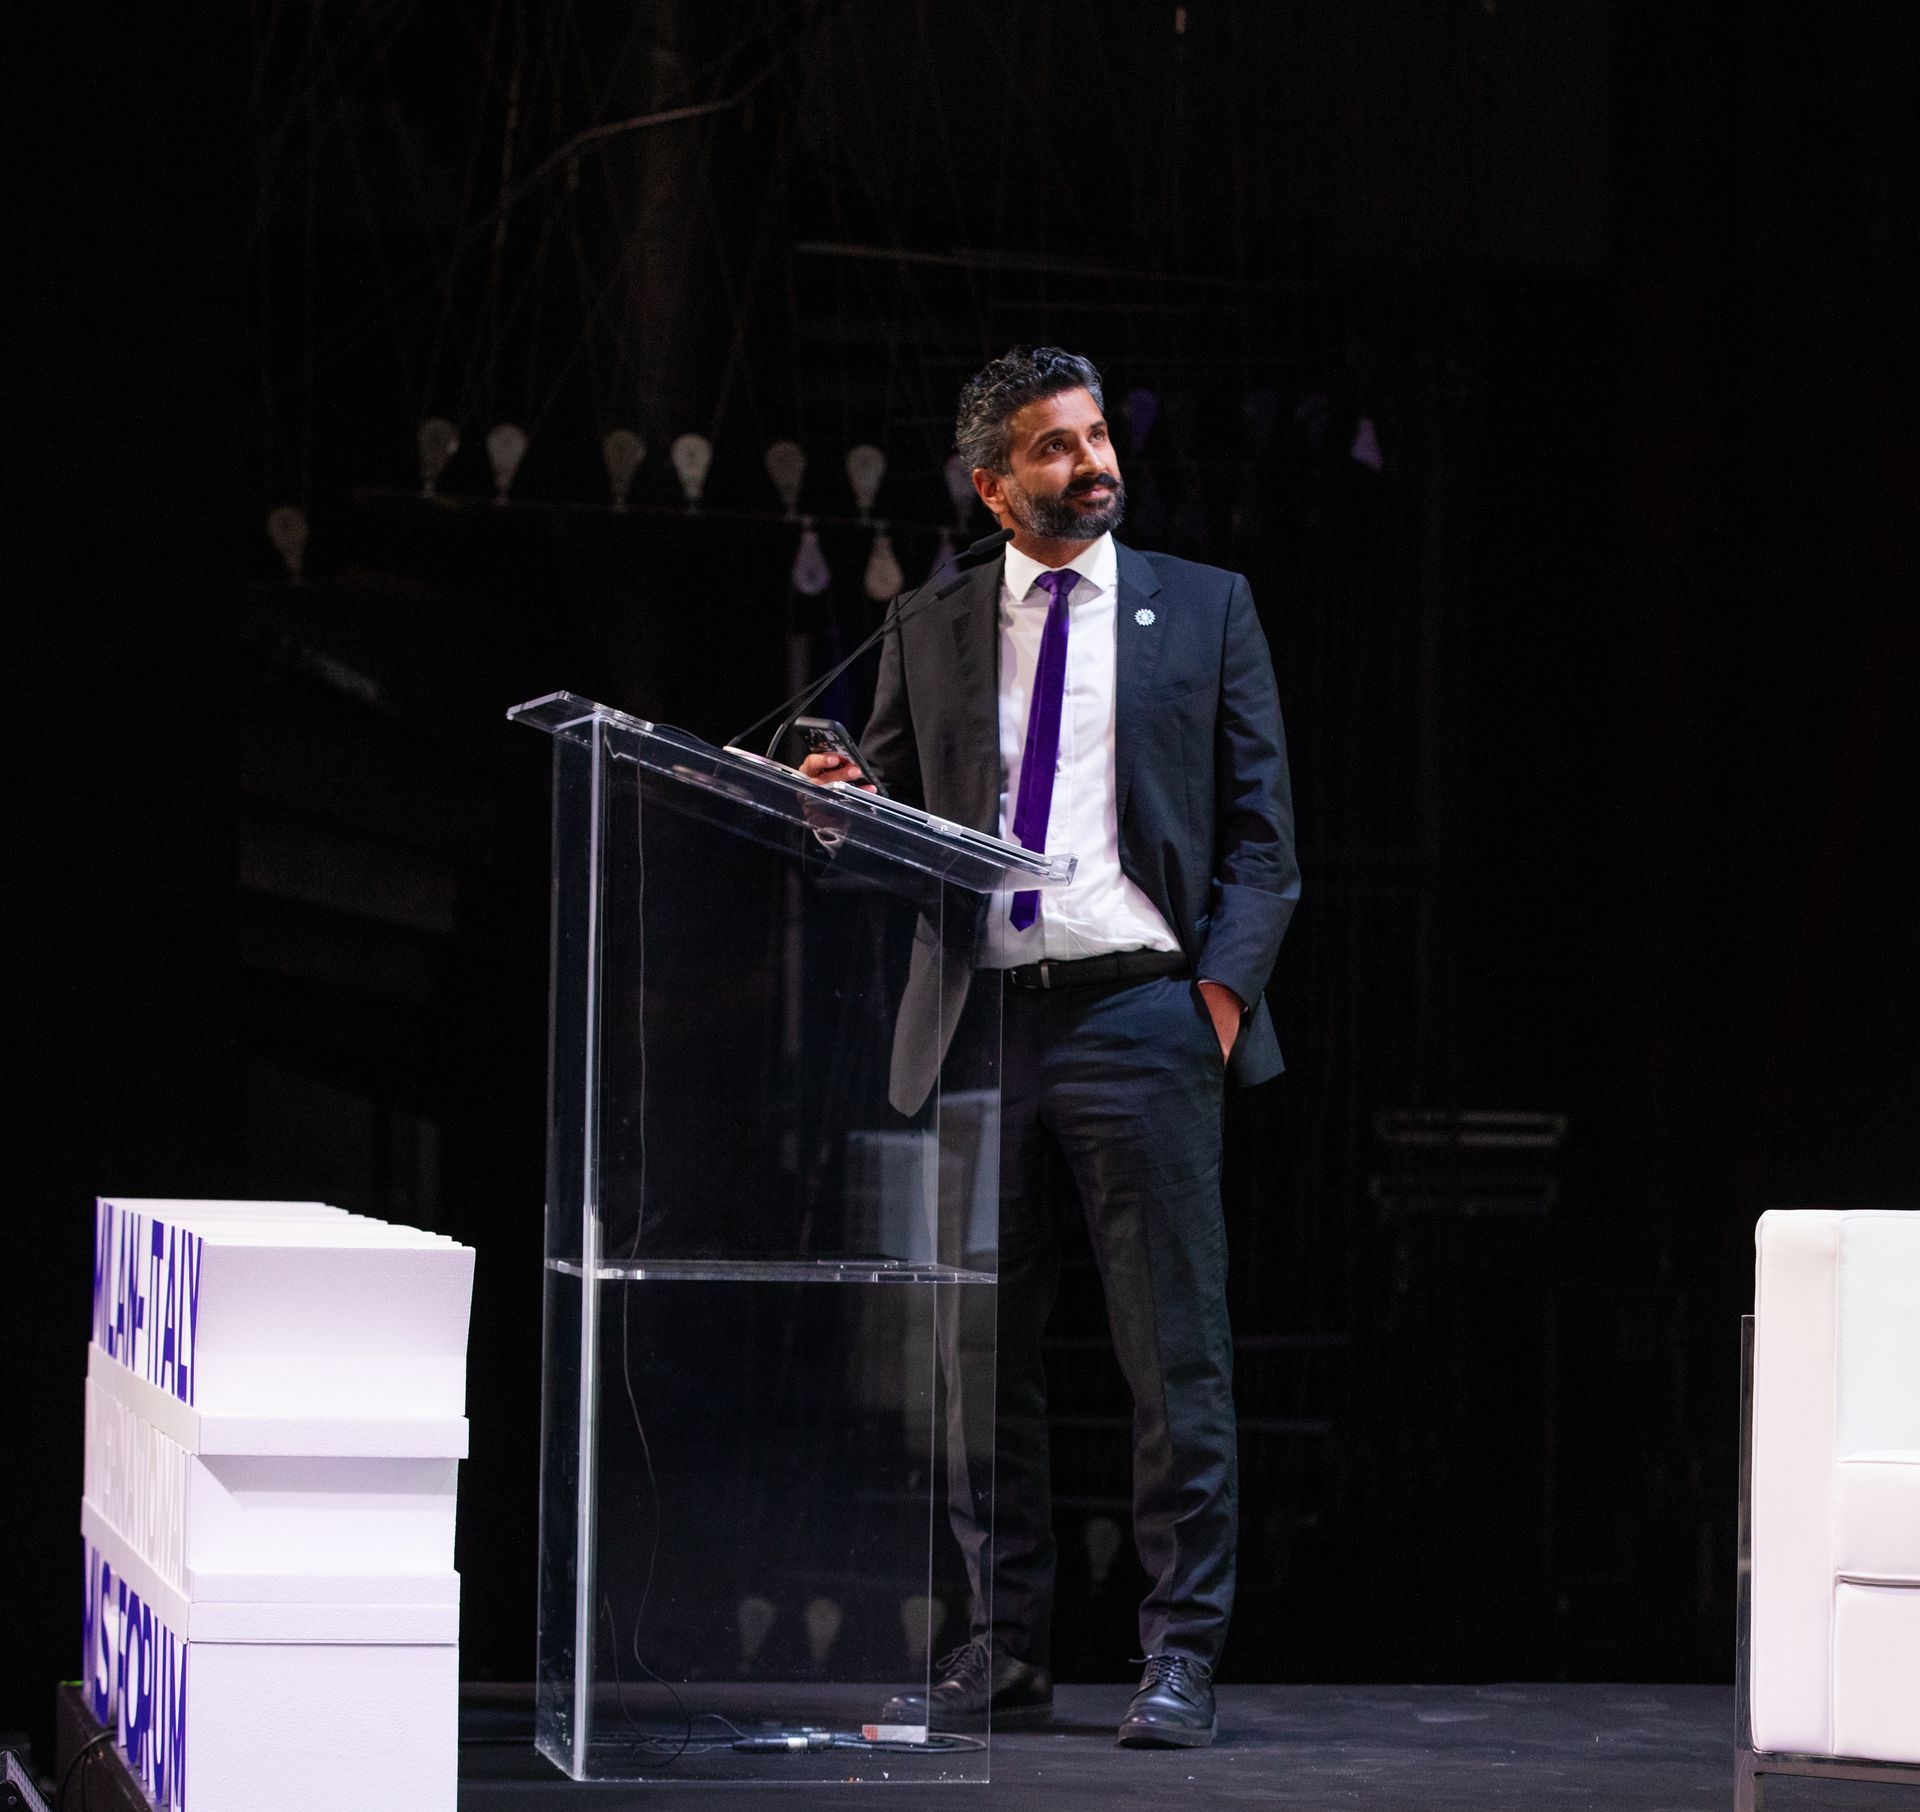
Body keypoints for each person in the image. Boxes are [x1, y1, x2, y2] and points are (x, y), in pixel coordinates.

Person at [801, 347, 1298, 1749]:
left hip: (1144, 1014)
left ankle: (1180, 1655)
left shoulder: (1204, 609)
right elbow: (889, 830)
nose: (1094, 462)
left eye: (1096, 435)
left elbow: (1268, 846)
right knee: (976, 1362)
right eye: (1057, 447)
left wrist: (1213, 1004)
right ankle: (998, 1651)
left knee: (1170, 1355)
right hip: (983, 1021)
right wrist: (842, 806)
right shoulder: (931, 620)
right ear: (994, 483)